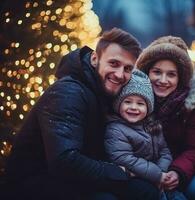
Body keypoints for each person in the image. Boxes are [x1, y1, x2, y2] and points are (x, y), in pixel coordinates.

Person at [5, 28, 159, 200]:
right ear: (95, 58)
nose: (120, 74)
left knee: (146, 190)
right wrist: (119, 172)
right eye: (114, 63)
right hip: (34, 185)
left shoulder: (104, 93)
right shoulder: (69, 92)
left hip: (70, 178)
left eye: (128, 68)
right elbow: (64, 161)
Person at [136, 36, 195, 200]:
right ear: (147, 71)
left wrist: (177, 172)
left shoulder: (194, 103)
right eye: (157, 72)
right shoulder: (134, 101)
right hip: (149, 171)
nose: (163, 80)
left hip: (190, 167)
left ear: (181, 78)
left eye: (171, 74)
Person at [104, 69, 187, 200]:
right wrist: (157, 175)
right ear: (117, 104)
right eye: (127, 101)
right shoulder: (116, 129)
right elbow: (124, 158)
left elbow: (164, 150)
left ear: (148, 107)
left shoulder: (153, 125)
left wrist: (162, 172)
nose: (134, 107)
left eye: (140, 103)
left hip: (156, 177)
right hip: (134, 179)